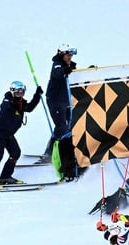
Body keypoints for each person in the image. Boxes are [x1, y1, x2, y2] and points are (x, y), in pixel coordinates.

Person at [0, 81, 43, 190]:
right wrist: (7, 98)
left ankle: (5, 176)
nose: (20, 93)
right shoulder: (9, 101)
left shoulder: (20, 103)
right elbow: (4, 107)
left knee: (15, 153)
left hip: (8, 134)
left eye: (22, 91)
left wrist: (37, 95)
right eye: (17, 91)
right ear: (12, 91)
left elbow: (30, 108)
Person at [42, 44, 79, 181]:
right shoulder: (57, 65)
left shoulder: (70, 66)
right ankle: (49, 153)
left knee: (70, 127)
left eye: (71, 55)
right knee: (61, 127)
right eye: (67, 55)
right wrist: (66, 70)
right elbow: (58, 73)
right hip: (55, 100)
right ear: (61, 55)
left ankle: (64, 149)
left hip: (67, 101)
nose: (70, 57)